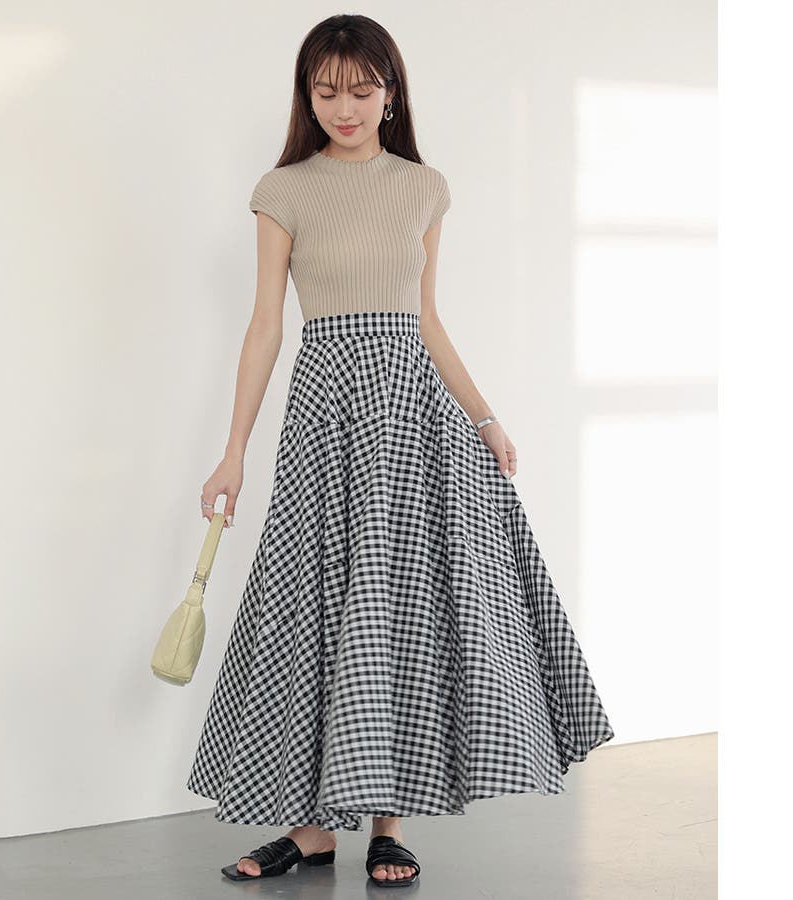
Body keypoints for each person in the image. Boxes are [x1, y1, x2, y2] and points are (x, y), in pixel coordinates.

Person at [185, 13, 615, 888]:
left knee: (404, 605)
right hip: (324, 415)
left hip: (415, 418)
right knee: (312, 599)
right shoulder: (283, 189)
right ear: (306, 97)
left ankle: (389, 824)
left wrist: (485, 417)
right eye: (325, 91)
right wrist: (233, 451)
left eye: (361, 89)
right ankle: (310, 831)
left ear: (391, 93)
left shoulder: (425, 187)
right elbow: (266, 325)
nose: (343, 108)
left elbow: (425, 319)